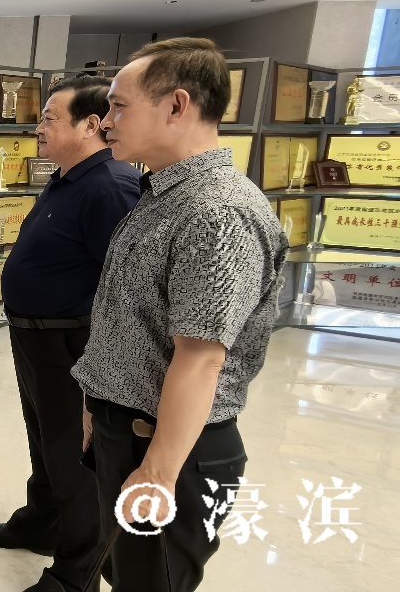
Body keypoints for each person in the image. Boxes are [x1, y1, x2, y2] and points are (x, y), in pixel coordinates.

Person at [72, 38, 286, 591]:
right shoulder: (164, 194)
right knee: (125, 573)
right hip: (130, 428)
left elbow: (201, 358)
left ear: (176, 105)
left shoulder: (217, 213)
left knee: (150, 582)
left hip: (169, 447)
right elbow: (132, 320)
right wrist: (100, 403)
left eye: (119, 106)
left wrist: (158, 471)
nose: (105, 121)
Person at [0, 76, 141, 592]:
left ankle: (76, 572)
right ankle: (41, 522)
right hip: (36, 339)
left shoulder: (110, 186)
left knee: (74, 456)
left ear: (90, 125)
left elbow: (123, 289)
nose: (38, 128)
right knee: (45, 441)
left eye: (49, 118)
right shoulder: (68, 177)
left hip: (73, 342)